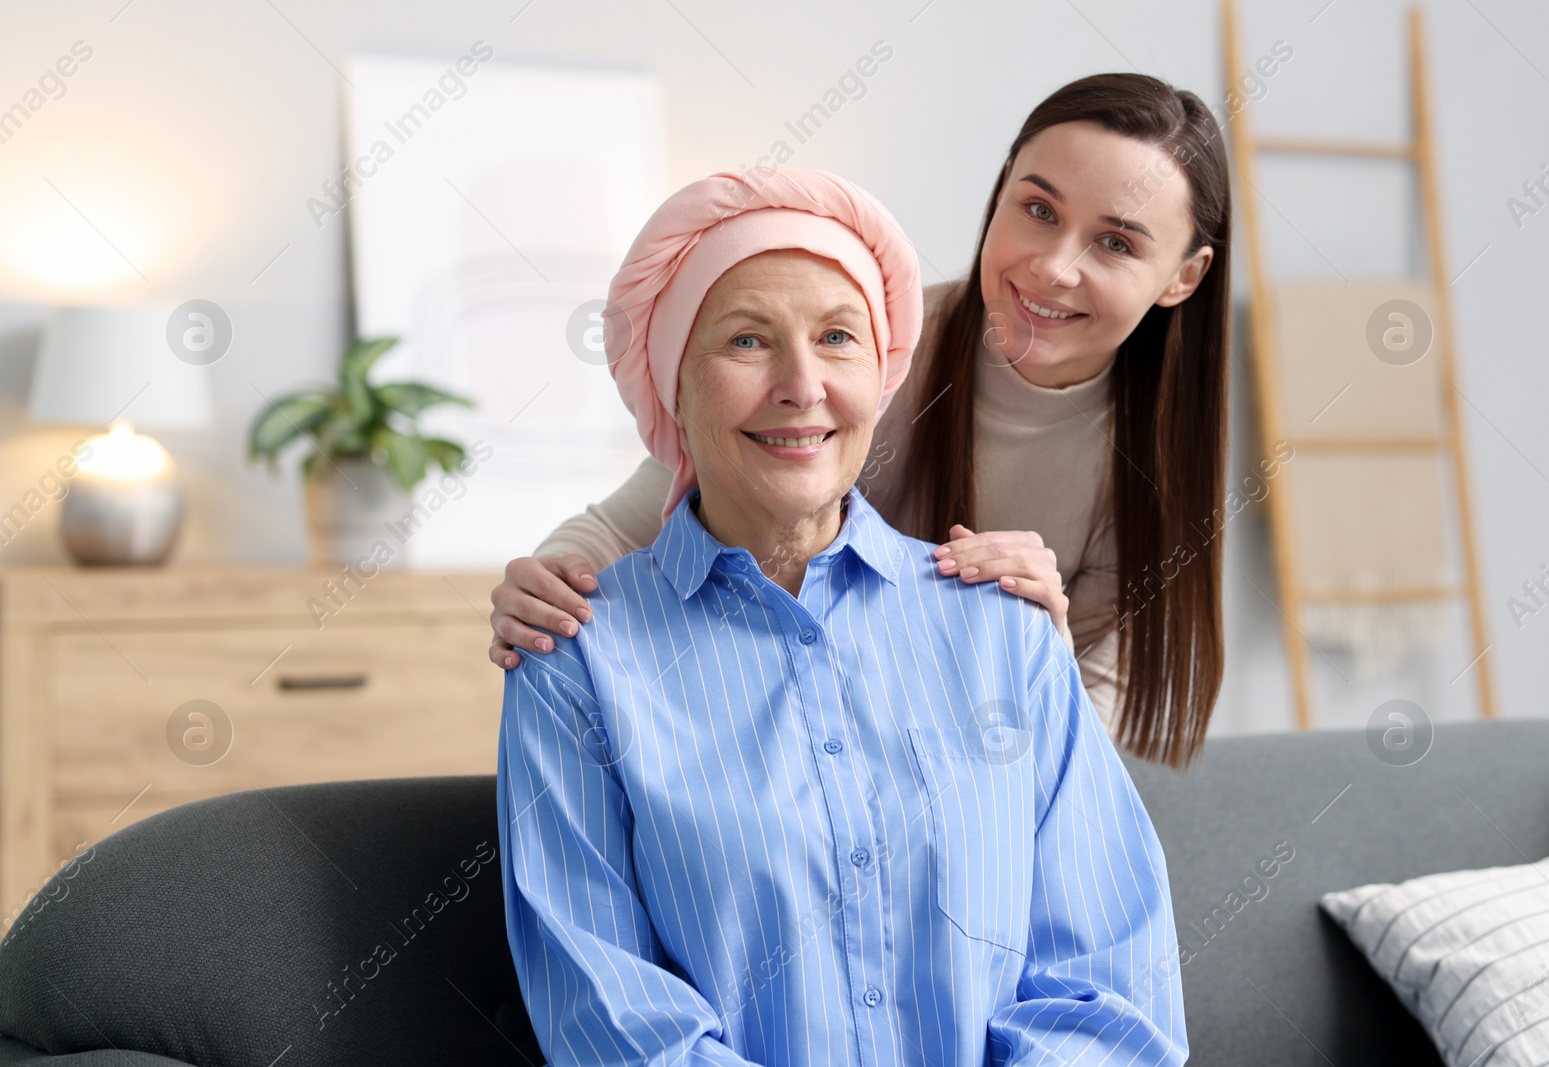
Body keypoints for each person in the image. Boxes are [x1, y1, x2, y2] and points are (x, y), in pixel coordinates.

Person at [498, 166, 1187, 1067]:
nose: (801, 384)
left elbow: (1112, 985)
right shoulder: (574, 660)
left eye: (837, 338)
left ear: (882, 374)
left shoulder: (1008, 630)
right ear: (672, 385)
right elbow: (616, 1022)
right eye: (747, 340)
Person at [490, 72, 1231, 768]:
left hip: (963, 788)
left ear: (1184, 276)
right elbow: (638, 516)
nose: (1053, 268)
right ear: (1001, 190)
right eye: (1039, 210)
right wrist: (545, 584)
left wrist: (1045, 650)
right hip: (778, 754)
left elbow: (1079, 755)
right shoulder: (865, 355)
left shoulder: (1159, 453)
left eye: (1116, 242)